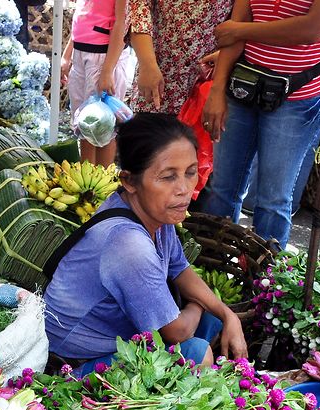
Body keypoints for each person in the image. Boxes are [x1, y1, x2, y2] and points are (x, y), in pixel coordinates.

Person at [44, 113, 248, 376]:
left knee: (212, 315)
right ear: (129, 181)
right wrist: (197, 305)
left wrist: (226, 314)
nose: (184, 189)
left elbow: (179, 268)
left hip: (117, 339)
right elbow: (175, 332)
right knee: (196, 353)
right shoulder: (129, 244)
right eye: (167, 177)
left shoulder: (154, 216)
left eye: (190, 173)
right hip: (75, 363)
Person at [201, 0, 320, 250]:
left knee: (273, 199)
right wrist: (218, 88)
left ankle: (264, 279)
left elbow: (312, 30)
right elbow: (233, 30)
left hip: (298, 96)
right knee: (222, 187)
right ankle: (214, 261)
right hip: (244, 86)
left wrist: (240, 30)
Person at [60, 0, 133, 166]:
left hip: (103, 57)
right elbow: (84, 15)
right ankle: (87, 181)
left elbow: (122, 22)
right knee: (84, 125)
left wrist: (107, 70)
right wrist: (67, 54)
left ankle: (101, 186)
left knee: (103, 126)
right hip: (81, 52)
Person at [128, 0, 233, 114]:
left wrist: (224, 54)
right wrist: (147, 64)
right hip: (159, 76)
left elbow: (240, 22)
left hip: (206, 84)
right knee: (150, 128)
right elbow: (138, 13)